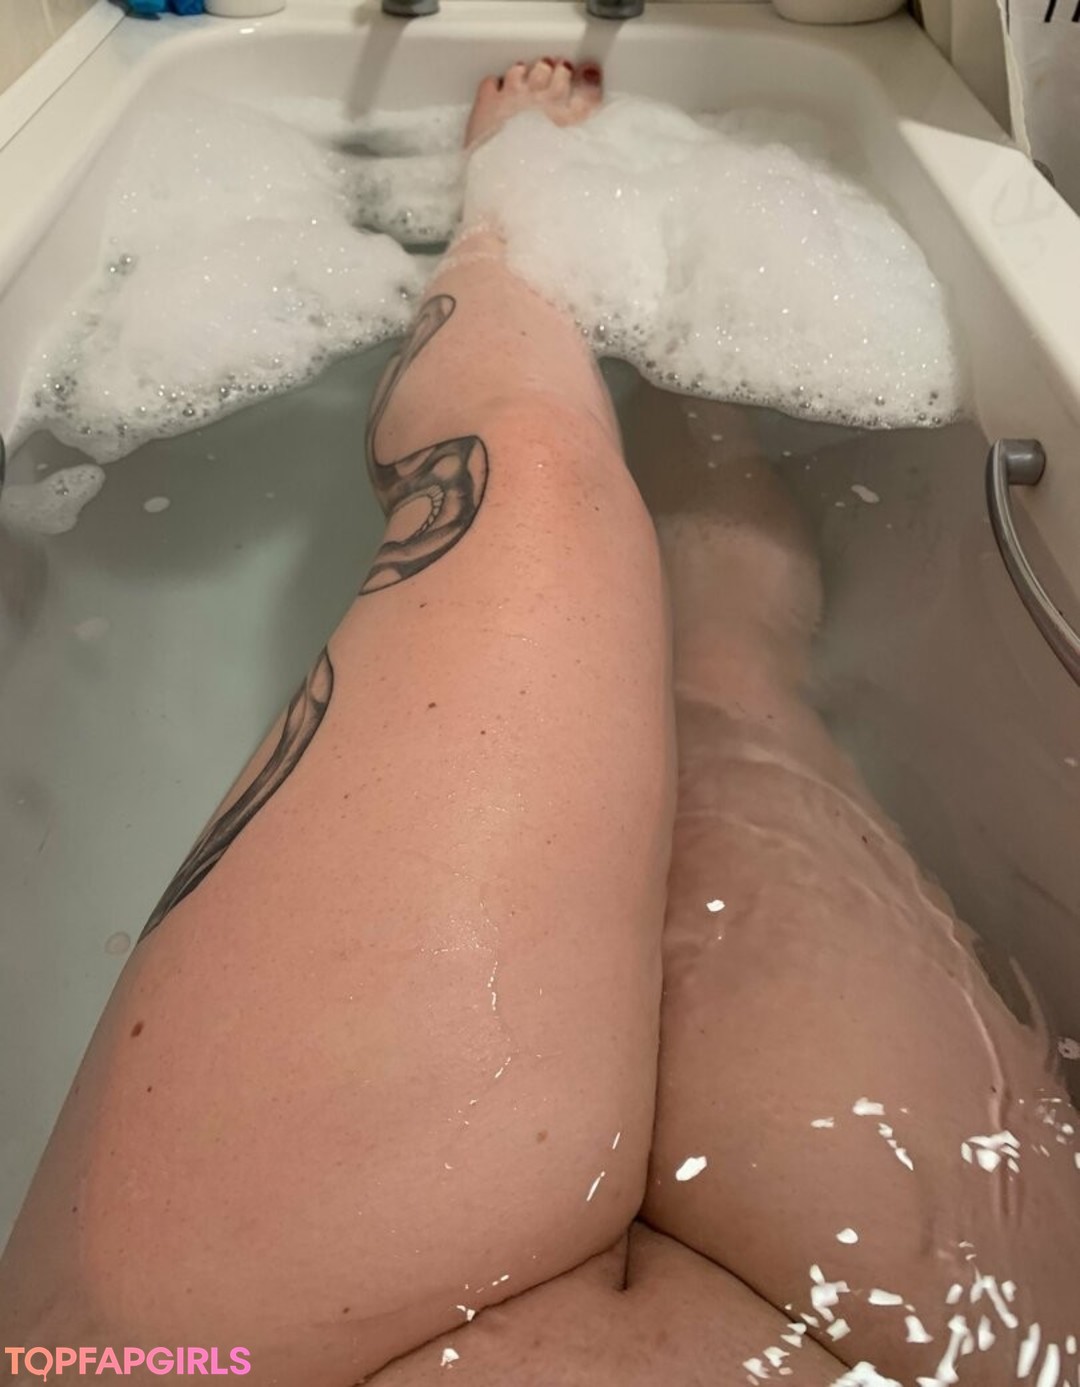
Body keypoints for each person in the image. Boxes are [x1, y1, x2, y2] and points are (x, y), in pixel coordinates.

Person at [1, 59, 1076, 1387]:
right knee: (725, 684)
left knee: (528, 475)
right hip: (904, 1359)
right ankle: (651, 332)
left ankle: (525, 247)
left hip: (208, 1365)